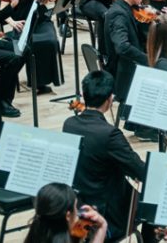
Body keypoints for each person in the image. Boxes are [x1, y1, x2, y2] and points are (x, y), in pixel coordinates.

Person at [62, 70, 146, 240]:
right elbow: (140, 171)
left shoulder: (69, 124)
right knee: (153, 207)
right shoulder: (109, 134)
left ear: (84, 95)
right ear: (109, 99)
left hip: (78, 204)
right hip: (106, 212)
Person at [2, 0, 66, 90]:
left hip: (40, 18)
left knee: (50, 41)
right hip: (22, 22)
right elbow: (2, 10)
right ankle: (35, 81)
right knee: (33, 44)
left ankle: (42, 82)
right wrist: (12, 23)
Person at [100, 0, 148, 105]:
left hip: (127, 66)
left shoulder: (124, 8)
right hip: (125, 74)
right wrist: (148, 59)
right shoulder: (118, 14)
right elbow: (122, 47)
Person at [22, 182, 108, 243]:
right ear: (68, 215)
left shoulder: (37, 231)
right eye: (75, 207)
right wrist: (102, 226)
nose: (78, 212)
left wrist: (102, 227)